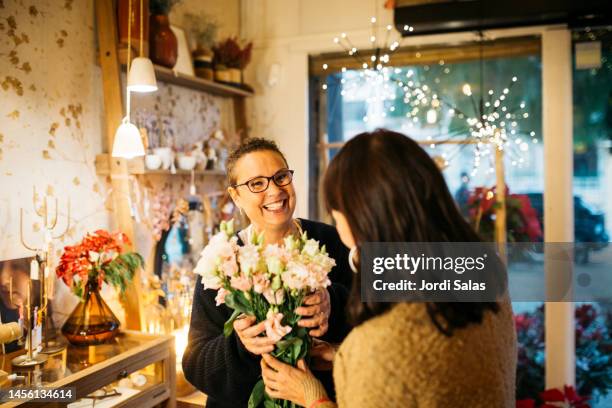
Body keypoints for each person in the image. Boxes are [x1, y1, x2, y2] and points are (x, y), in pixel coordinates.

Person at [260, 129, 517, 407]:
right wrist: (342, 357)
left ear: (360, 221)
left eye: (337, 214)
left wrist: (311, 396)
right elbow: (435, 371)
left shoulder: (378, 345)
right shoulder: (483, 277)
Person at [182, 138, 352, 407]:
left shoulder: (330, 241)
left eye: (281, 177)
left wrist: (334, 304)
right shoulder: (222, 260)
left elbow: (375, 327)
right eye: (257, 183)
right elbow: (195, 365)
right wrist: (241, 346)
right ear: (236, 195)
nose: (274, 190)